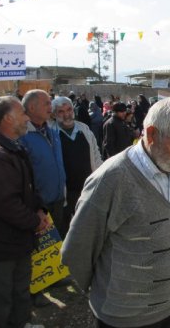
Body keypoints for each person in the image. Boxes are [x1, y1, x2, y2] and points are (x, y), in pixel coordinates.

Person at [61, 97, 170, 328]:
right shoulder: (111, 179)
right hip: (123, 317)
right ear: (152, 134)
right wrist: (109, 293)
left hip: (168, 307)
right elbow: (77, 250)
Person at [0, 96, 49, 328]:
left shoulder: (14, 148)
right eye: (22, 113)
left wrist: (39, 209)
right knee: (1, 299)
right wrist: (34, 221)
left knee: (20, 291)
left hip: (18, 240)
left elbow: (28, 188)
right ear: (8, 118)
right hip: (0, 245)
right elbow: (5, 204)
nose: (27, 118)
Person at [51, 96, 103, 237]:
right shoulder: (51, 132)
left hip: (87, 189)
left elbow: (96, 154)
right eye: (60, 111)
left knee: (88, 229)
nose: (66, 114)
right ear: (54, 114)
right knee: (66, 231)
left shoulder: (84, 129)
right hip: (66, 193)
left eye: (69, 109)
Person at [20, 90, 66, 238]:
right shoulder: (22, 136)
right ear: (32, 108)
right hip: (38, 209)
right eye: (46, 103)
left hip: (58, 202)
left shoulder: (52, 131)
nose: (50, 106)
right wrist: (36, 207)